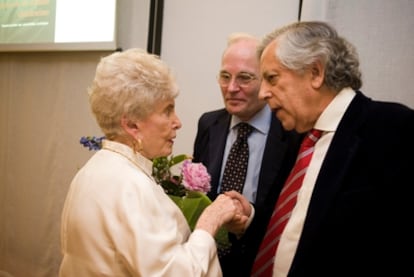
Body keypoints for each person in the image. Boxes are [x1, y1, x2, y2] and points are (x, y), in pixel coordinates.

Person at [59, 48, 252, 277]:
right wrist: (210, 221)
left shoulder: (93, 170)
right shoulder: (131, 186)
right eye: (167, 111)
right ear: (132, 125)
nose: (178, 122)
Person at [252, 21, 414, 276]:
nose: (262, 93)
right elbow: (291, 225)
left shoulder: (393, 128)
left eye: (272, 78)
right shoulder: (298, 138)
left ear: (316, 72)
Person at [192, 33, 302, 276]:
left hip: (263, 261)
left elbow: (294, 213)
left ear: (265, 82)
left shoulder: (291, 131)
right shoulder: (209, 124)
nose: (231, 88)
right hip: (209, 260)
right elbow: (199, 196)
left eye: (244, 78)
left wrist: (249, 217)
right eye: (224, 76)